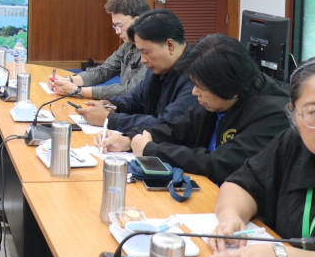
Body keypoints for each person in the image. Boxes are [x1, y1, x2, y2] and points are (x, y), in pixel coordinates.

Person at [97, 34, 289, 183]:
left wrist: (151, 150)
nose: (195, 92)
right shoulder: (215, 99)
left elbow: (219, 163)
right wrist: (129, 139)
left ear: (227, 86)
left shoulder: (273, 115)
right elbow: (177, 127)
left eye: (201, 87)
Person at [209, 59, 315, 257]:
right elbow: (242, 185)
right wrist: (231, 217)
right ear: (294, 114)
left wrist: (283, 256)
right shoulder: (293, 143)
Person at [77, 9, 196, 130]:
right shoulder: (159, 67)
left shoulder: (196, 77)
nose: (142, 60)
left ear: (170, 45)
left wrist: (110, 119)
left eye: (146, 52)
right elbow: (136, 99)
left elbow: (169, 124)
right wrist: (113, 105)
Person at [52, 0, 149, 99]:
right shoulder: (129, 44)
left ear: (137, 21)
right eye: (115, 27)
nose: (117, 32)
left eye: (120, 26)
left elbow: (131, 90)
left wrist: (78, 91)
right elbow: (104, 70)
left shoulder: (152, 49)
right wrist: (69, 80)